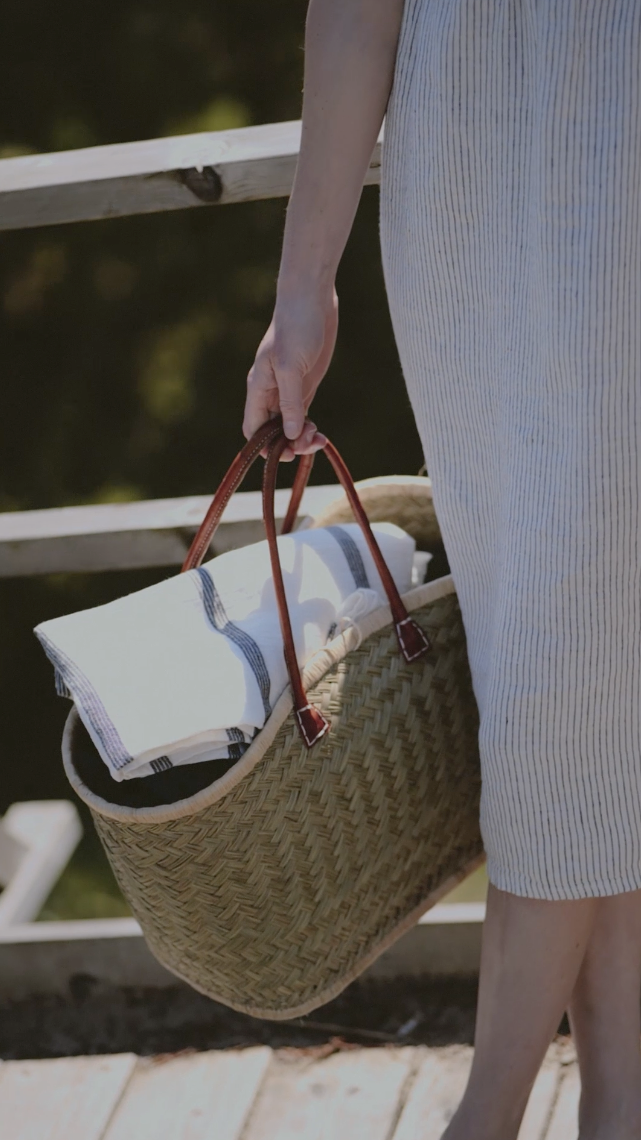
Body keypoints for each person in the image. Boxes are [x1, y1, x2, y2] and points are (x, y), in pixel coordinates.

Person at [242, 3, 641, 1137]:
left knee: (572, 688)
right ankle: (611, 1101)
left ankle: (492, 1113)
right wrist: (302, 286)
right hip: (470, 210)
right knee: (573, 687)